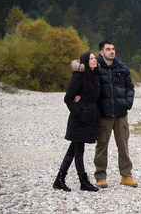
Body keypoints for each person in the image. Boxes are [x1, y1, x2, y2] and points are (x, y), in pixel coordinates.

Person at [53, 52, 100, 192]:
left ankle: (59, 180)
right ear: (85, 61)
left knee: (73, 150)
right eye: (91, 58)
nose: (94, 60)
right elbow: (68, 98)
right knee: (79, 151)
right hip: (79, 119)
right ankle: (83, 181)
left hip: (89, 119)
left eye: (95, 58)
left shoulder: (95, 76)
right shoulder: (79, 76)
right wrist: (79, 112)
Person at [94, 40, 137, 188]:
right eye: (108, 49)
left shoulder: (122, 67)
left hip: (120, 114)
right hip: (104, 114)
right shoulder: (96, 68)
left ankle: (126, 176)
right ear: (101, 52)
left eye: (113, 49)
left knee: (123, 146)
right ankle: (100, 177)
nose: (111, 51)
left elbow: (130, 87)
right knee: (102, 146)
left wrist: (128, 103)